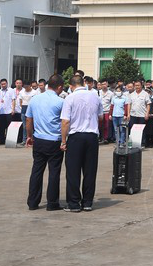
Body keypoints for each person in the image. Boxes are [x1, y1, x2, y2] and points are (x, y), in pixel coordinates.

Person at [60, 75, 103, 212]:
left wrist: (63, 140)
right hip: (91, 136)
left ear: (71, 86)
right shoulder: (95, 96)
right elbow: (101, 117)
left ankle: (73, 203)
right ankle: (87, 202)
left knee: (73, 171)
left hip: (76, 136)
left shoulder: (70, 98)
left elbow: (65, 121)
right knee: (90, 170)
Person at [25, 73, 65, 211]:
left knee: (36, 170)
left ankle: (32, 202)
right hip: (54, 140)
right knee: (54, 172)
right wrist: (65, 140)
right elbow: (64, 122)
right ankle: (52, 203)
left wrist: (29, 136)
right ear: (59, 87)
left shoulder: (35, 99)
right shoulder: (60, 102)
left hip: (39, 139)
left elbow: (29, 120)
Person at [0, 78, 14, 144]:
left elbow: (13, 100)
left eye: (4, 84)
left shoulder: (11, 90)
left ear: (7, 83)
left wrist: (13, 109)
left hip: (8, 111)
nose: (3, 85)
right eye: (2, 84)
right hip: (1, 112)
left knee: (9, 126)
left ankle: (10, 140)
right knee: (1, 127)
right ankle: (1, 140)